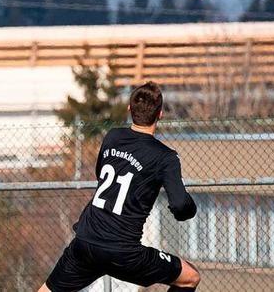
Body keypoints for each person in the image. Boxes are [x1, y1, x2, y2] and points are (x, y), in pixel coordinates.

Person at [40, 81, 200, 292]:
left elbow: (102, 175)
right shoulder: (165, 157)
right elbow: (180, 206)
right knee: (190, 277)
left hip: (86, 241)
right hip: (123, 252)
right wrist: (190, 208)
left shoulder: (113, 137)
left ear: (129, 110)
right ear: (160, 114)